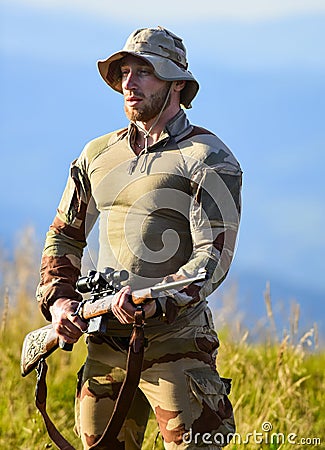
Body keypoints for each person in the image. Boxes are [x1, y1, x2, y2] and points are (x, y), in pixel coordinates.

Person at [36, 26, 242, 450]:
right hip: (103, 347)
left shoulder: (210, 158)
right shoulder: (96, 154)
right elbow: (65, 235)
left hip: (179, 348)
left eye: (144, 72)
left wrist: (150, 299)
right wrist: (58, 302)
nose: (128, 83)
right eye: (124, 71)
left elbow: (211, 260)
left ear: (177, 84)